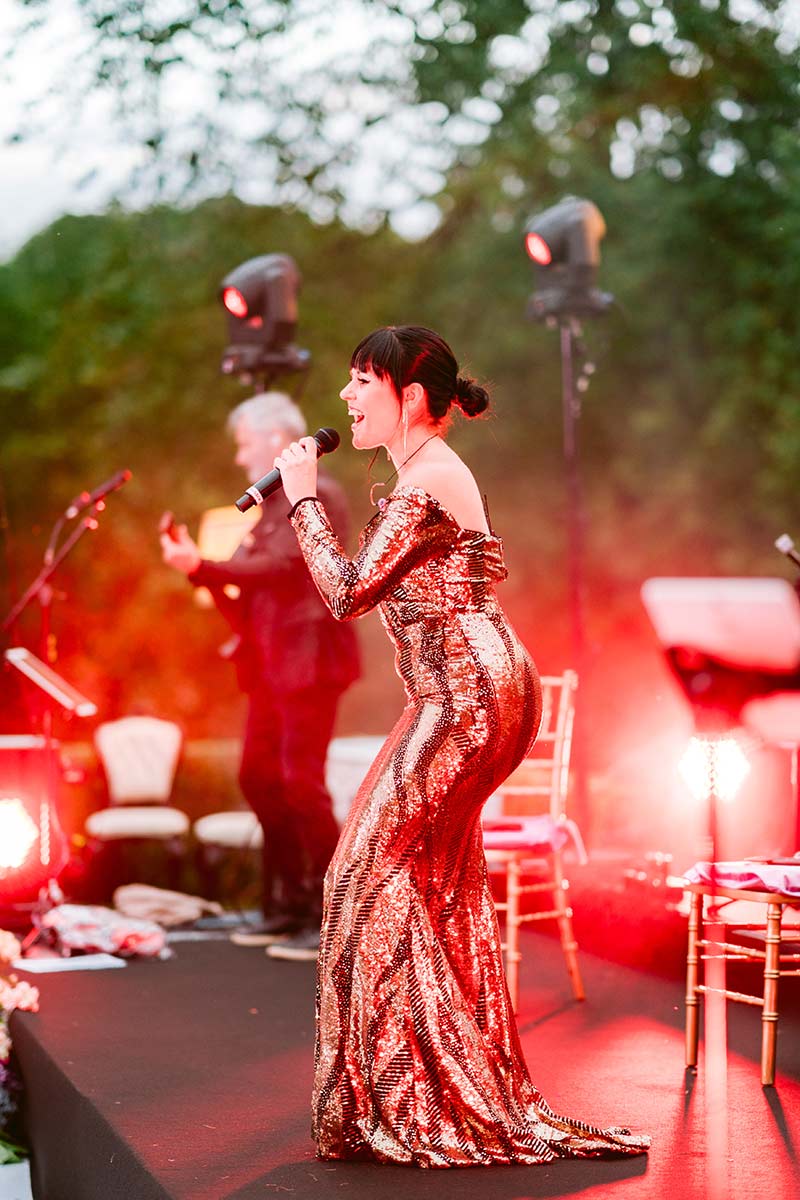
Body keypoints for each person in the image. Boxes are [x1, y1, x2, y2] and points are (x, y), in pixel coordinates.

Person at [272, 326, 649, 1165]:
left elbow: (347, 592)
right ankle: (432, 1088)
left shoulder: (430, 477)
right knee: (428, 882)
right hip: (463, 694)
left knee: (361, 874)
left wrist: (302, 498)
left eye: (361, 380)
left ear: (409, 395)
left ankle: (414, 1097)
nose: (345, 396)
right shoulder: (420, 473)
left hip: (469, 701)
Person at [160, 391, 360, 960]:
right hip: (271, 667)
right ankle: (288, 903)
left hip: (309, 664)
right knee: (259, 778)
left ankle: (336, 913)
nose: (239, 456)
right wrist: (197, 571)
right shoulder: (269, 508)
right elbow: (247, 596)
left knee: (301, 783)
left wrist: (204, 565)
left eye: (245, 442)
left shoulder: (320, 494)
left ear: (277, 439)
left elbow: (281, 568)